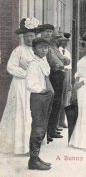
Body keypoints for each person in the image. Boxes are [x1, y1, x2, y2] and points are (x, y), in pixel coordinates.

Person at [0, 18, 40, 155]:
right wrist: (26, 73)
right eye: (27, 36)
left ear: (35, 37)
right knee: (21, 113)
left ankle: (30, 146)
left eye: (32, 36)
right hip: (20, 86)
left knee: (31, 114)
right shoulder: (19, 50)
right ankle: (19, 147)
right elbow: (10, 67)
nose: (29, 39)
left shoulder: (37, 51)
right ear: (23, 37)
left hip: (33, 86)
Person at [38, 24, 70, 143]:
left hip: (58, 75)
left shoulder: (53, 47)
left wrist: (61, 63)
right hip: (51, 75)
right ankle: (47, 132)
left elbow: (66, 60)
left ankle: (51, 129)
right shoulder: (42, 46)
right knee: (50, 104)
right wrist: (60, 64)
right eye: (46, 32)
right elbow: (53, 63)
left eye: (50, 33)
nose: (49, 35)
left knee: (57, 103)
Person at [26, 38, 53, 170]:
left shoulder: (43, 61)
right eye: (41, 47)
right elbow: (30, 84)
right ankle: (33, 160)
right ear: (34, 49)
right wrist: (41, 89)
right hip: (39, 98)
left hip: (46, 97)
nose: (44, 50)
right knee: (38, 127)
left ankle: (36, 157)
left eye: (46, 48)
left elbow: (47, 73)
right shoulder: (33, 64)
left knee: (42, 127)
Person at [57, 33, 72, 128]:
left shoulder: (67, 52)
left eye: (67, 41)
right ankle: (56, 122)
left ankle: (62, 121)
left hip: (66, 75)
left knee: (65, 99)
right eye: (64, 41)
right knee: (58, 98)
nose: (66, 43)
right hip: (58, 75)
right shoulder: (56, 50)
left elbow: (69, 68)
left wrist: (70, 82)